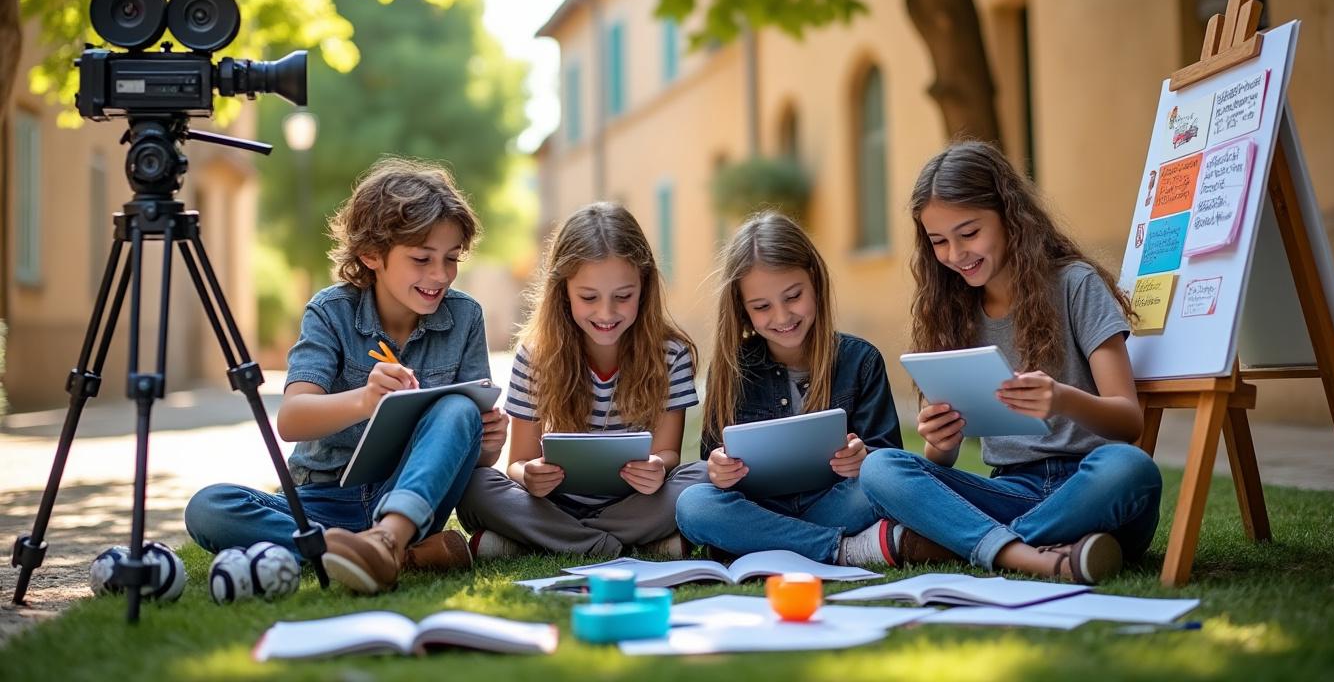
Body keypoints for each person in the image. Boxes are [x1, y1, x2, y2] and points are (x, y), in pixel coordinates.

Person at [184, 157, 507, 594]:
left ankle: (388, 538)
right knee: (209, 508)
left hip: (412, 500)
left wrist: (489, 444)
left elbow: (466, 452)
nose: (440, 275)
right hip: (323, 499)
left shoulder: (465, 316)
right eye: (421, 258)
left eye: (451, 259)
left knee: (458, 408)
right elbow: (292, 419)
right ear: (371, 254)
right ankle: (380, 551)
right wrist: (365, 399)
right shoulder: (330, 311)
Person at [860, 141, 1163, 584]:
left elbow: (1128, 422)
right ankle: (1033, 556)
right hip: (1010, 489)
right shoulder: (951, 310)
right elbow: (940, 462)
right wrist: (941, 444)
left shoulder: (1074, 285)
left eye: (969, 233)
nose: (955, 254)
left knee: (1131, 468)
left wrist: (1061, 400)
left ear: (1009, 215)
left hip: (1090, 488)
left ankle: (987, 547)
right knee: (880, 468)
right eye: (939, 241)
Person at [455, 202, 703, 558]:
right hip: (554, 505)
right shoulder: (536, 356)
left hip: (636, 505)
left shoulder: (670, 355)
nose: (606, 313)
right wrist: (530, 476)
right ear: (563, 292)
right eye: (588, 298)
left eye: (623, 296)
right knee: (475, 484)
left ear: (644, 288)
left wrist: (658, 466)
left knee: (698, 481)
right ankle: (620, 546)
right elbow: (517, 462)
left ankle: (543, 542)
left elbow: (669, 455)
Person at [674, 211, 903, 565]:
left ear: (814, 281)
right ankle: (844, 550)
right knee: (693, 506)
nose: (782, 317)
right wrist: (718, 468)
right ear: (742, 310)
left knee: (881, 488)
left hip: (836, 501)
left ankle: (760, 540)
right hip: (759, 506)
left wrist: (864, 458)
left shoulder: (861, 360)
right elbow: (712, 460)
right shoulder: (732, 368)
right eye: (762, 307)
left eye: (793, 296)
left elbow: (889, 464)